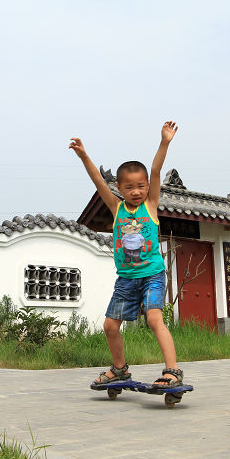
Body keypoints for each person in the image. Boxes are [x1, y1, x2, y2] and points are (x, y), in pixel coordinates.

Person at [69, 121, 182, 389]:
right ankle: (119, 369)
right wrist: (84, 156)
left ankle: (173, 371)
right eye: (130, 187)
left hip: (152, 274)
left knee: (154, 319)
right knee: (110, 326)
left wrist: (164, 142)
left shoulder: (151, 205)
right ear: (120, 188)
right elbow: (98, 181)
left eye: (141, 186)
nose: (137, 192)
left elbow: (155, 171)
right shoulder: (116, 208)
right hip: (126, 279)